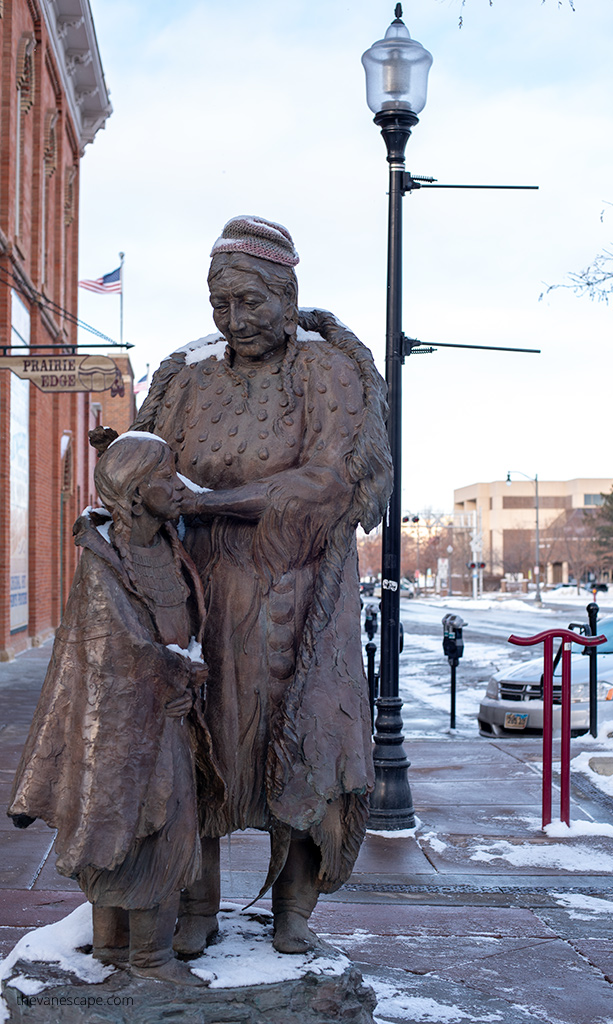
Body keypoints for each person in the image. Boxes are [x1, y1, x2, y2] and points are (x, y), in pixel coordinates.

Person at [133, 215, 392, 955]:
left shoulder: (324, 369)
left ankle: (294, 912)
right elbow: (150, 458)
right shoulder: (187, 373)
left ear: (287, 294)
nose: (235, 320)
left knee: (309, 743)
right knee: (194, 743)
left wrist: (213, 501)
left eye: (251, 302)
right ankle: (195, 906)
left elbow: (329, 481)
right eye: (222, 305)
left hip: (299, 591)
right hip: (200, 591)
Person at [8, 431, 223, 985]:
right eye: (164, 478)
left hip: (167, 717)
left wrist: (187, 673)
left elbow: (183, 623)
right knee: (141, 829)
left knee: (160, 827)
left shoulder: (167, 547)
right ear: (132, 490)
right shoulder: (102, 560)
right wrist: (176, 670)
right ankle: (141, 956)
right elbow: (116, 646)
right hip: (122, 726)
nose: (178, 488)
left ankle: (125, 948)